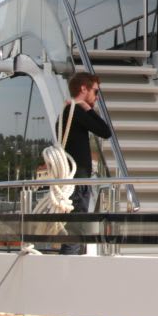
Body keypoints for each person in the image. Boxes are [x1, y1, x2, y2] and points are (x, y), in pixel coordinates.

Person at [56, 71, 114, 217]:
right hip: (77, 182)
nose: (97, 96)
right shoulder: (75, 111)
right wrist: (88, 109)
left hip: (73, 180)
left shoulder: (68, 111)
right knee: (77, 227)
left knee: (73, 227)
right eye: (95, 91)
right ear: (83, 89)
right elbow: (105, 131)